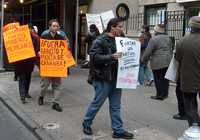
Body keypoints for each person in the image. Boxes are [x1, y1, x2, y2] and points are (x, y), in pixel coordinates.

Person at [82, 18, 134, 139]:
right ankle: (86, 123)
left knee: (115, 106)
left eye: (122, 27)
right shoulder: (100, 40)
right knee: (97, 103)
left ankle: (118, 130)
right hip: (103, 78)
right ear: (112, 27)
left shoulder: (121, 39)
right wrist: (111, 56)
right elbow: (94, 57)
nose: (122, 29)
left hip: (117, 77)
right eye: (120, 27)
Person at [175, 16, 200, 126]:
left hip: (189, 79)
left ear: (191, 27)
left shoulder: (182, 41)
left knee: (190, 107)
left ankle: (195, 130)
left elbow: (177, 58)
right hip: (191, 78)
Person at [38, 19, 65, 112]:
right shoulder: (44, 36)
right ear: (49, 27)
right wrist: (40, 53)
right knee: (45, 85)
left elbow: (65, 50)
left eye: (57, 26)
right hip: (47, 66)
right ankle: (41, 96)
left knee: (57, 85)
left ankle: (55, 103)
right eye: (53, 26)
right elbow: (39, 48)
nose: (55, 27)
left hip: (57, 66)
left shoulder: (61, 38)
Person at [142, 24, 172, 100]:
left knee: (158, 78)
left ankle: (159, 95)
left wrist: (143, 59)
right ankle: (165, 94)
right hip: (168, 60)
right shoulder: (168, 38)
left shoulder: (154, 39)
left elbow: (148, 51)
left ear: (156, 31)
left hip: (157, 62)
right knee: (165, 79)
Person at [15, 24, 40, 104]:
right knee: (22, 78)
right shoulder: (18, 38)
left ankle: (26, 92)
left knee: (28, 77)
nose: (29, 30)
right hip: (21, 62)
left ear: (32, 30)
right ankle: (22, 96)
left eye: (30, 29)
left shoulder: (35, 38)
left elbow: (37, 49)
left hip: (29, 62)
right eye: (27, 29)